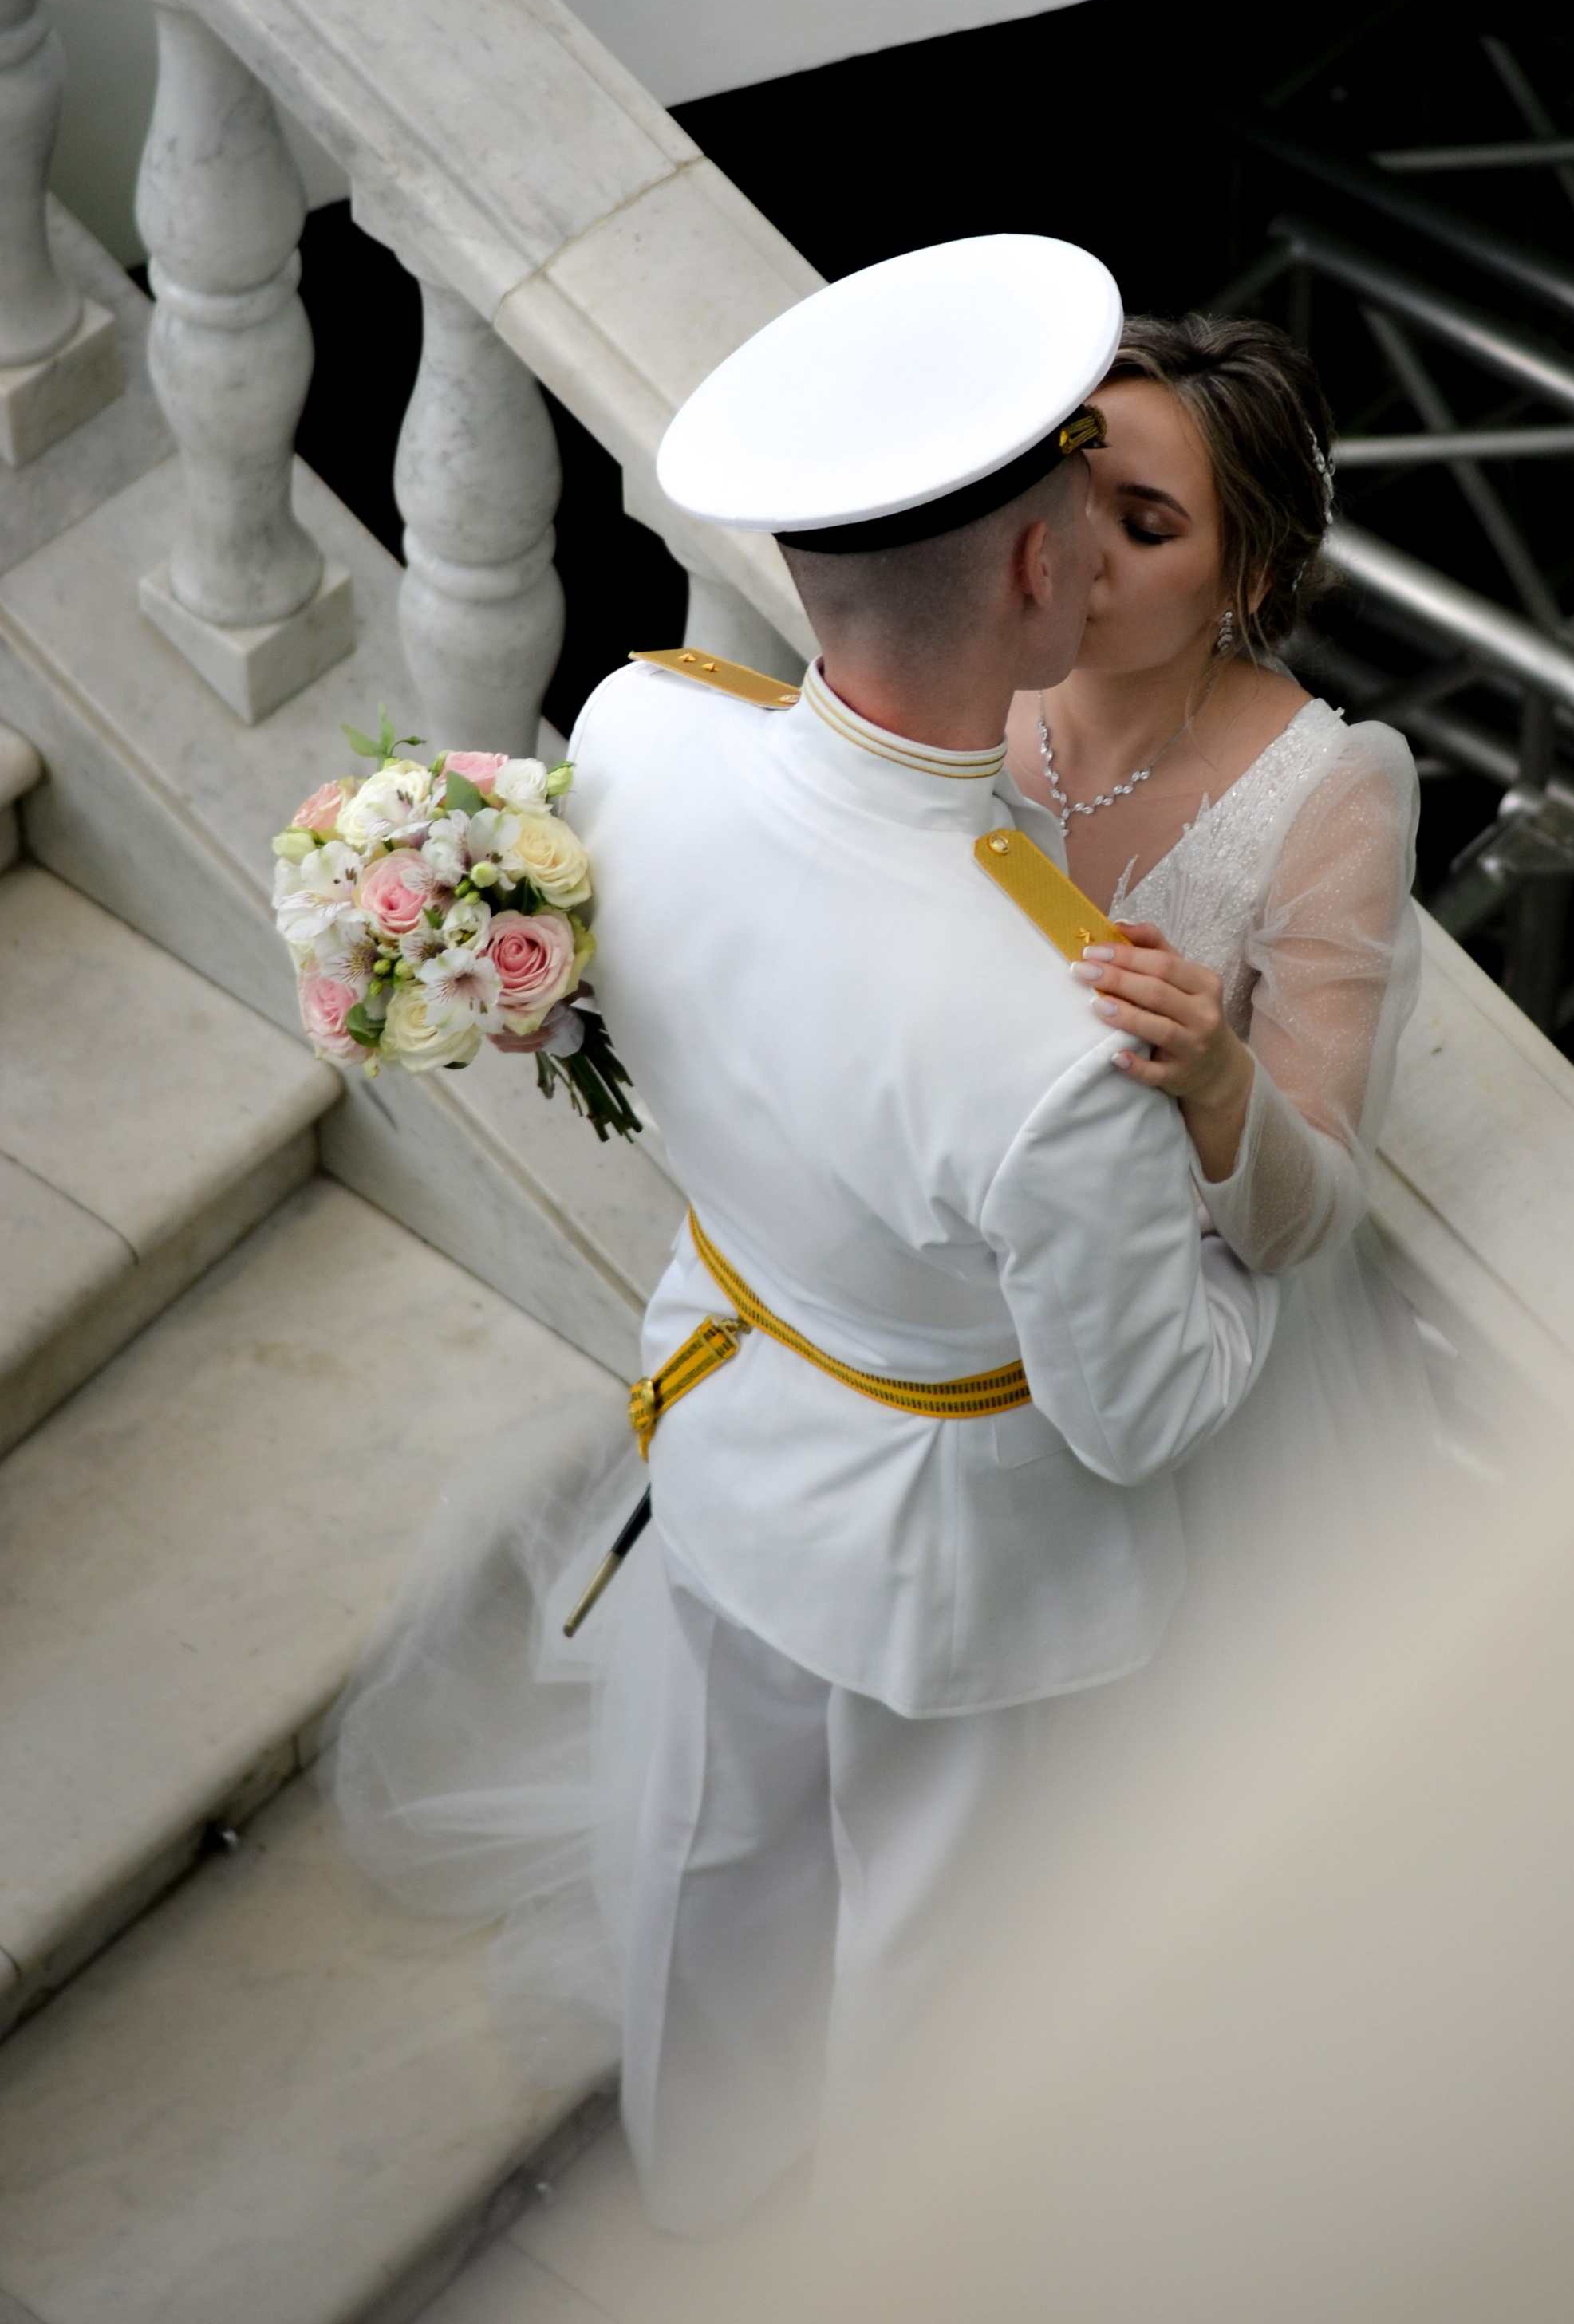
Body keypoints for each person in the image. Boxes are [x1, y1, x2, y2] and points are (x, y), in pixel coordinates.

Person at [337, 235, 1284, 2235]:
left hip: (727, 1410)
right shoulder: (1061, 1034)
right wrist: (1247, 1210)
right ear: (1039, 577)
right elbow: (1144, 1417)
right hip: (949, 1561)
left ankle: (699, 2188)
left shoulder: (639, 728)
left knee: (706, 1855)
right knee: (931, 1959)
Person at [1002, 311, 1438, 1656]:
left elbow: (1308, 1212)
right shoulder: (967, 663)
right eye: (1070, 495)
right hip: (942, 1275)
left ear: (1245, 579)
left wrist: (1217, 1075)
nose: (1078, 554)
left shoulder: (1328, 791)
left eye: (1144, 526)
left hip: (1151, 1345)